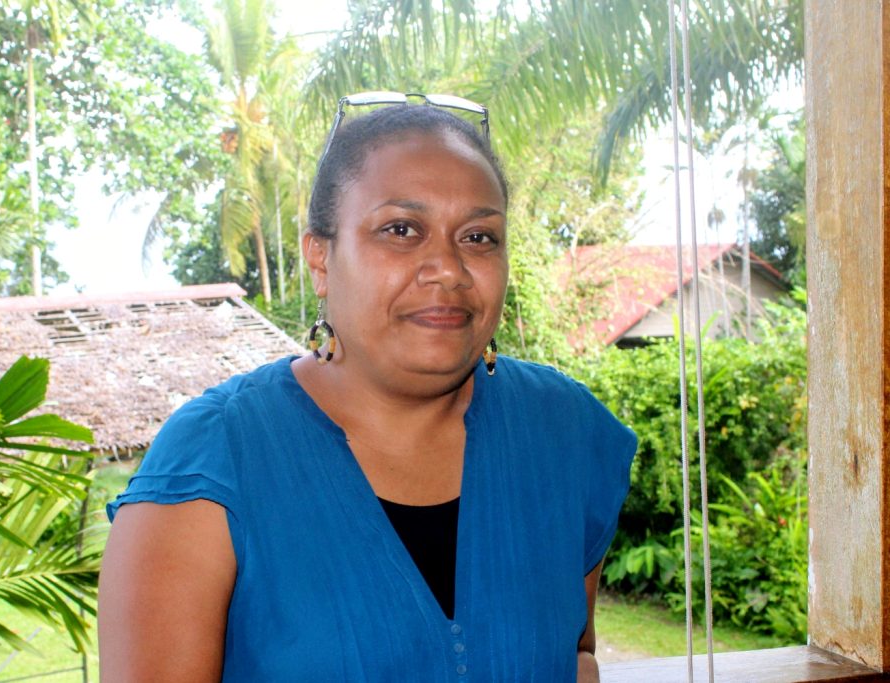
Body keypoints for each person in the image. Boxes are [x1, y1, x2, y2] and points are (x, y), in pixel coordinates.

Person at [98, 94, 637, 682]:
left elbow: (576, 655)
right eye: (401, 229)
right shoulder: (216, 461)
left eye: (479, 237)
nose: (450, 269)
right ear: (321, 258)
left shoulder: (564, 433)